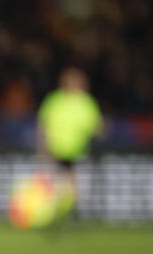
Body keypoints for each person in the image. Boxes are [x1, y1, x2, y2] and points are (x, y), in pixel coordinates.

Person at [37, 67, 103, 221]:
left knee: (70, 183)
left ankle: (66, 211)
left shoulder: (85, 102)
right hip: (55, 151)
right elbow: (43, 125)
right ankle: (58, 212)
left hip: (77, 152)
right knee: (59, 184)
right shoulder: (55, 100)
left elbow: (97, 128)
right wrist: (42, 146)